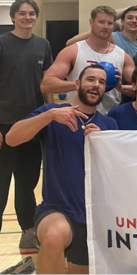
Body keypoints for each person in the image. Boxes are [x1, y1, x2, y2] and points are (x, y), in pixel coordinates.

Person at [5, 64, 118, 274]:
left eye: (101, 82)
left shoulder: (109, 124)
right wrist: (48, 117)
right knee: (54, 235)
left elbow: (120, 172)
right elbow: (11, 138)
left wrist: (103, 142)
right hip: (57, 208)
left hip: (92, 216)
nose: (96, 85)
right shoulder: (53, 113)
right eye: (90, 79)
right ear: (77, 84)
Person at [0, 0, 53, 249]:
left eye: (32, 14)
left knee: (27, 183)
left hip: (33, 126)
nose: (27, 17)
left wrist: (49, 115)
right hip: (4, 127)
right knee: (1, 184)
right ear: (12, 17)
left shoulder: (43, 45)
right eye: (22, 13)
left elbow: (47, 84)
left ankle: (28, 232)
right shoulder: (1, 43)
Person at [41, 5, 136, 115]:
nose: (106, 27)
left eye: (110, 23)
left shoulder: (123, 56)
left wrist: (121, 88)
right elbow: (46, 85)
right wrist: (80, 84)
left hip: (110, 120)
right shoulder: (73, 51)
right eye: (101, 22)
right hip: (77, 117)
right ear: (91, 22)